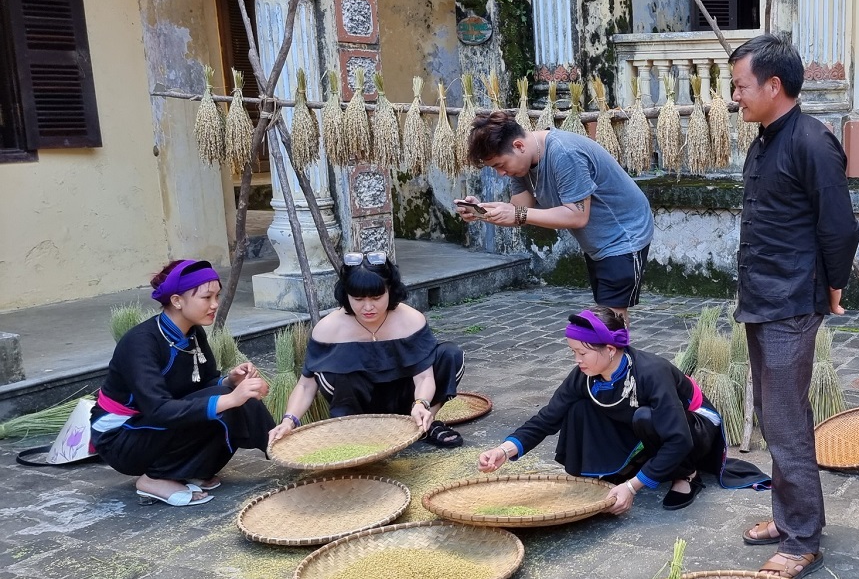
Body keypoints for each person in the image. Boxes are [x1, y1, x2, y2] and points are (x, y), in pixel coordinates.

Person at [730, 33, 859, 579]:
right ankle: (789, 518)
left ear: (774, 85)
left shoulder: (812, 142)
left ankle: (802, 538)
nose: (735, 96)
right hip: (762, 298)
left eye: (741, 86)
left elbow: (840, 227)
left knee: (785, 421)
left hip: (790, 301)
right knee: (773, 414)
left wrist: (834, 288)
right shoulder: (764, 141)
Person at [476, 308, 767, 513]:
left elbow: (680, 438)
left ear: (610, 349)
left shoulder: (651, 372)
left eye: (582, 353)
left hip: (695, 429)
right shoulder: (585, 375)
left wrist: (632, 488)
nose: (577, 360)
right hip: (652, 426)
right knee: (578, 408)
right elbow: (548, 417)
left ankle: (687, 474)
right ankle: (618, 468)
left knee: (646, 417)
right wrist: (504, 451)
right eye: (573, 353)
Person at [91, 259, 275, 506]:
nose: (215, 304)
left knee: (230, 394)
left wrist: (230, 380)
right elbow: (159, 410)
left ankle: (278, 446)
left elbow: (205, 383)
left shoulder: (193, 332)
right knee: (228, 400)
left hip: (157, 424)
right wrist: (231, 397)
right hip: (121, 438)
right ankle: (154, 479)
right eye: (207, 297)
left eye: (217, 296)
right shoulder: (140, 343)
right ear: (177, 301)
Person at [458, 117, 654, 324]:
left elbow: (577, 215)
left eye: (500, 165)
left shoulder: (564, 153)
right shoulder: (522, 164)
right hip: (598, 241)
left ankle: (615, 346)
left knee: (610, 319)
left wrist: (517, 214)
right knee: (609, 316)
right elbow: (519, 210)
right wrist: (482, 212)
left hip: (623, 235)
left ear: (519, 146)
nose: (501, 173)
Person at [268, 252, 467, 448]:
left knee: (450, 354)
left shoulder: (411, 320)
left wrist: (421, 404)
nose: (368, 307)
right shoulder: (327, 329)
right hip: (359, 405)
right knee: (329, 374)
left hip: (408, 399)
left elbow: (424, 376)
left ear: (390, 290)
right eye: (358, 299)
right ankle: (356, 432)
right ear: (346, 295)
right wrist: (289, 421)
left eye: (377, 297)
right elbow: (306, 385)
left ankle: (424, 423)